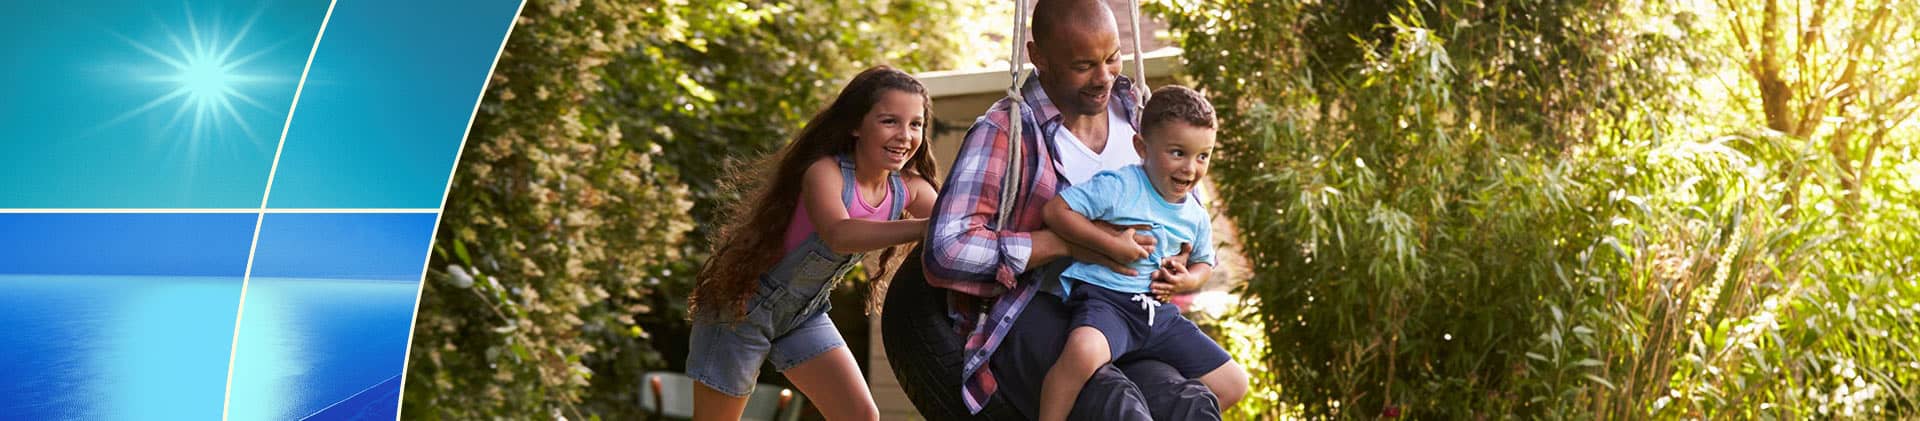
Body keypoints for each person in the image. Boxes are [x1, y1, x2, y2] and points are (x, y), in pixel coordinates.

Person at [909, 0, 1230, 419]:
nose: (1104, 77)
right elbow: (946, 251)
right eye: (1083, 65)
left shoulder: (1140, 113)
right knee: (1113, 407)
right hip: (1036, 306)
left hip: (1132, 310)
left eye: (1112, 58)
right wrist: (1071, 244)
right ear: (1037, 56)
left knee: (1191, 406)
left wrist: (1180, 264)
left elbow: (1186, 213)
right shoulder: (1008, 133)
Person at [686, 66, 939, 421]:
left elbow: (954, 221)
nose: (905, 135)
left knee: (860, 415)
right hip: (742, 308)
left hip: (804, 314)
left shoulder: (907, 187)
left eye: (915, 124)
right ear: (855, 125)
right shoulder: (825, 172)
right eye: (889, 121)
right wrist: (925, 227)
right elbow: (840, 233)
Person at [1035, 86, 1248, 421]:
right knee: (1082, 353)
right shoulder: (1121, 186)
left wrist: (1186, 280)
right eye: (1177, 153)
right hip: (1109, 302)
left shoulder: (1194, 212)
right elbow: (1057, 211)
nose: (1190, 168)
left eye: (1203, 156)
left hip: (1158, 315)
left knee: (1233, 384)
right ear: (1141, 147)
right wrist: (1111, 244)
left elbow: (1205, 262)